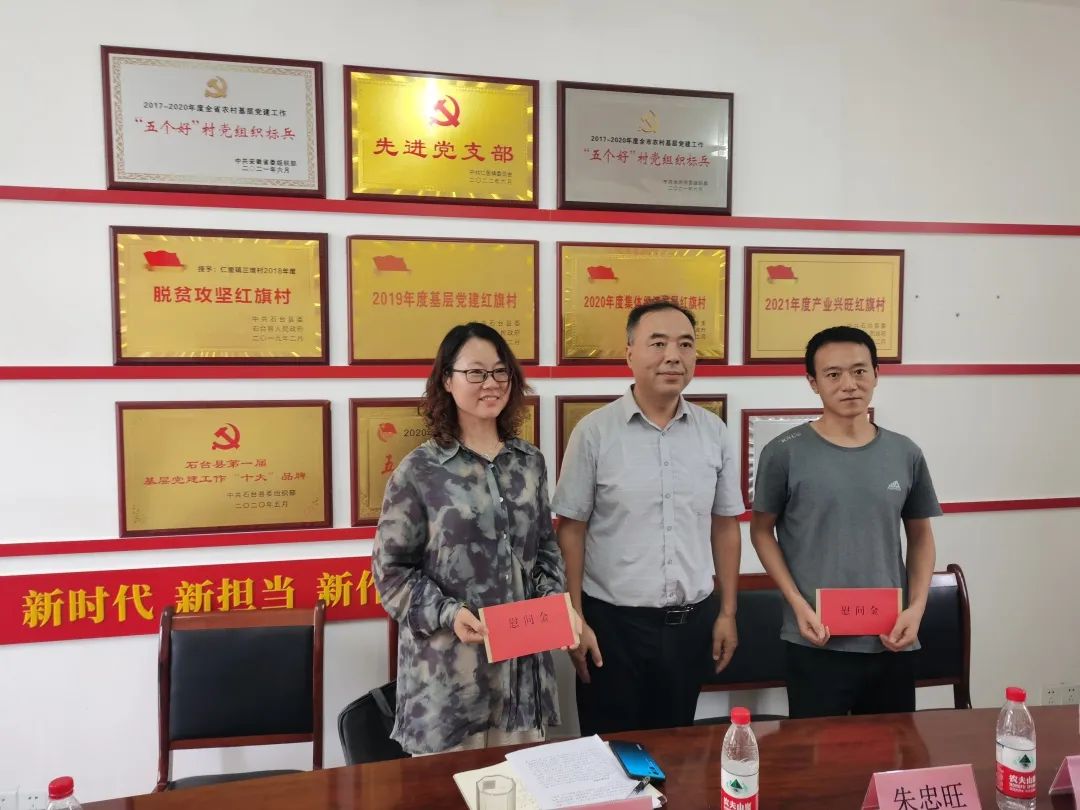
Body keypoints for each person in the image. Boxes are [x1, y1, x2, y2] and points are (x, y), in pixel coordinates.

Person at [372, 322, 577, 755]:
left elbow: (544, 548)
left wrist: (555, 603)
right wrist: (449, 613)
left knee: (522, 783)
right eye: (476, 372)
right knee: (445, 788)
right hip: (449, 682)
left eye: (501, 372)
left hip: (521, 678)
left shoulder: (529, 463)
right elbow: (391, 573)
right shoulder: (420, 471)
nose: (491, 383)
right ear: (447, 380)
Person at [552, 301, 743, 734]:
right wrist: (575, 618)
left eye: (685, 344)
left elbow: (725, 525)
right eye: (658, 343)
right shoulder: (594, 432)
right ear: (630, 354)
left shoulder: (713, 432)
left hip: (690, 626)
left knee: (676, 750)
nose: (673, 356)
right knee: (610, 752)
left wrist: (728, 613)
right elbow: (572, 531)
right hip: (611, 628)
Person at [750, 326, 941, 718]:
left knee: (892, 749)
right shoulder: (783, 453)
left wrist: (917, 607)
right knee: (819, 753)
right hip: (815, 638)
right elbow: (761, 532)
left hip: (892, 638)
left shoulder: (905, 452)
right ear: (813, 383)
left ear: (876, 374)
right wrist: (796, 603)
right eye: (833, 374)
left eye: (859, 371)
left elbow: (921, 536)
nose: (849, 384)